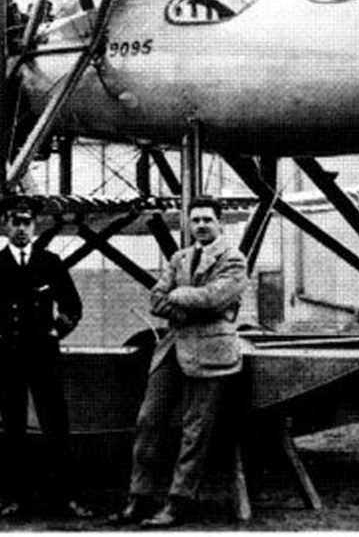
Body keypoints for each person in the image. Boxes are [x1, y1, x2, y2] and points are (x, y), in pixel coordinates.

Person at [110, 195, 249, 527]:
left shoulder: (234, 260)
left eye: (207, 220)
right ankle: (139, 498)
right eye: (195, 219)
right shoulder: (179, 257)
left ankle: (178, 502)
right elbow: (156, 300)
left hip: (212, 354)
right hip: (172, 349)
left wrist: (178, 296)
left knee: (194, 431)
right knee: (148, 420)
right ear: (188, 223)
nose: (201, 225)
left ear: (220, 223)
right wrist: (188, 303)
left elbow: (215, 298)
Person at [0, 195, 92, 519]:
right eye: (15, 222)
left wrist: (56, 333)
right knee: (13, 428)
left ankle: (68, 497)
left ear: (35, 225)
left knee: (56, 426)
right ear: (5, 224)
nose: (20, 228)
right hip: (8, 357)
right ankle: (17, 498)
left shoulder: (50, 262)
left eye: (26, 222)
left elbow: (73, 306)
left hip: (44, 356)